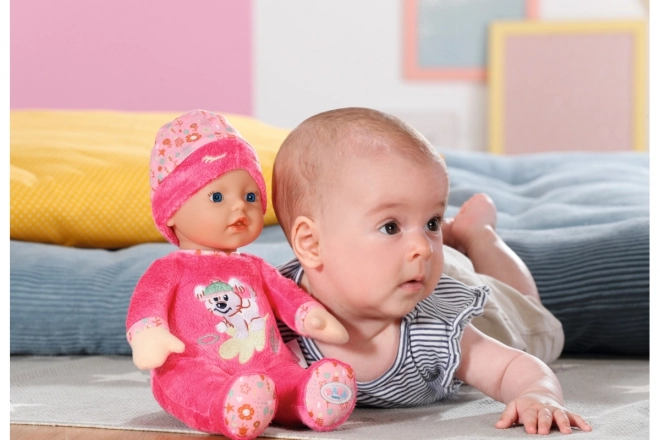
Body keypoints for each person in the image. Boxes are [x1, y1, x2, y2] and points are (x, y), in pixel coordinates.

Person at [271, 107, 591, 435]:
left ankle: (480, 235)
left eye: (432, 222)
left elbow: (512, 367)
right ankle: (454, 236)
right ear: (311, 244)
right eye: (391, 226)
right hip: (417, 275)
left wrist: (537, 393)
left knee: (532, 315)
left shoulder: (436, 329)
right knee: (440, 259)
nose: (424, 246)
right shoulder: (269, 317)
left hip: (474, 309)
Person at [126, 110, 357, 440]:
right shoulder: (171, 268)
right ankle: (227, 406)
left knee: (285, 374)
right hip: (191, 364)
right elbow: (147, 304)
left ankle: (309, 394)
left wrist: (311, 317)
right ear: (173, 210)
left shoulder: (253, 266)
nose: (240, 208)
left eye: (250, 197)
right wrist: (149, 335)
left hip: (265, 363)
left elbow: (286, 296)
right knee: (194, 382)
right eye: (217, 197)